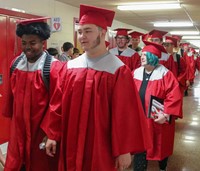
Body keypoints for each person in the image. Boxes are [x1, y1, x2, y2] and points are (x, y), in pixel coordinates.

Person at [42, 4, 149, 171]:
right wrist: (52, 135)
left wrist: (123, 150)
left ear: (102, 32)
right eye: (80, 31)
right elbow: (57, 104)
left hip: (100, 143)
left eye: (88, 31)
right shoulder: (70, 67)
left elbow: (125, 114)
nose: (82, 36)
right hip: (71, 140)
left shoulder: (118, 70)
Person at [2, 17, 62, 171]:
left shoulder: (53, 67)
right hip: (19, 129)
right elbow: (11, 97)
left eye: (32, 43)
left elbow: (57, 104)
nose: (27, 47)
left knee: (40, 165)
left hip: (40, 131)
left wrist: (51, 133)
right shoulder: (16, 64)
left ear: (43, 42)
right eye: (24, 43)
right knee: (17, 163)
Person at [132, 41, 182, 171]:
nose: (141, 57)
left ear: (153, 57)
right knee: (140, 149)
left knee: (160, 147)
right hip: (140, 119)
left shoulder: (165, 74)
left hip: (158, 119)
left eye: (145, 55)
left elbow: (174, 96)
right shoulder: (135, 73)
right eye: (141, 54)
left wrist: (166, 114)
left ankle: (162, 167)